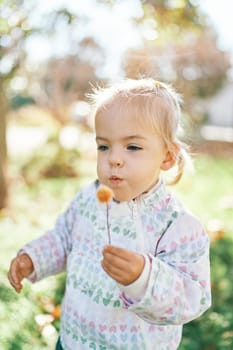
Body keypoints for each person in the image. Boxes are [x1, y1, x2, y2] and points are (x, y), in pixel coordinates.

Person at [8, 78, 211, 350]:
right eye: (104, 146)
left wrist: (143, 278)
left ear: (166, 157)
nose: (114, 158)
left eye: (133, 147)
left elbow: (191, 298)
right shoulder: (90, 199)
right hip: (73, 340)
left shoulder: (178, 226)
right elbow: (64, 238)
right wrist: (34, 258)